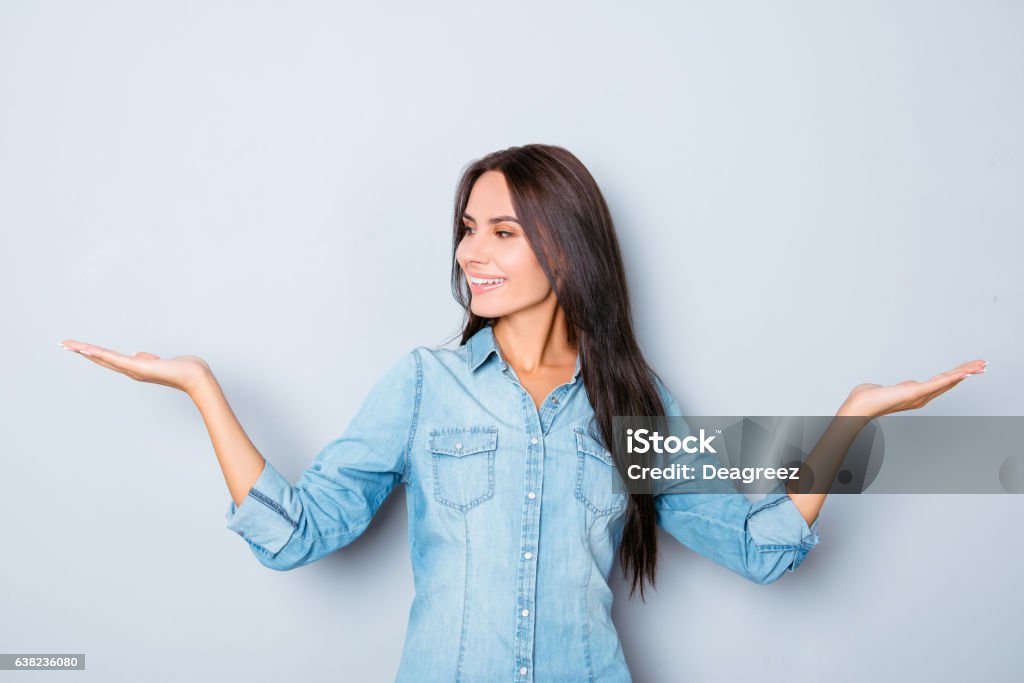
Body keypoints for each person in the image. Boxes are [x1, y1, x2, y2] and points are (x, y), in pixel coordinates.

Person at [59, 143, 986, 682]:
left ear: (564, 244)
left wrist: (853, 419)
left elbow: (758, 546)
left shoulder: (637, 399)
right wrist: (201, 387)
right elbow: (298, 533)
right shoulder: (423, 382)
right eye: (468, 227)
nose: (473, 251)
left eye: (502, 230)